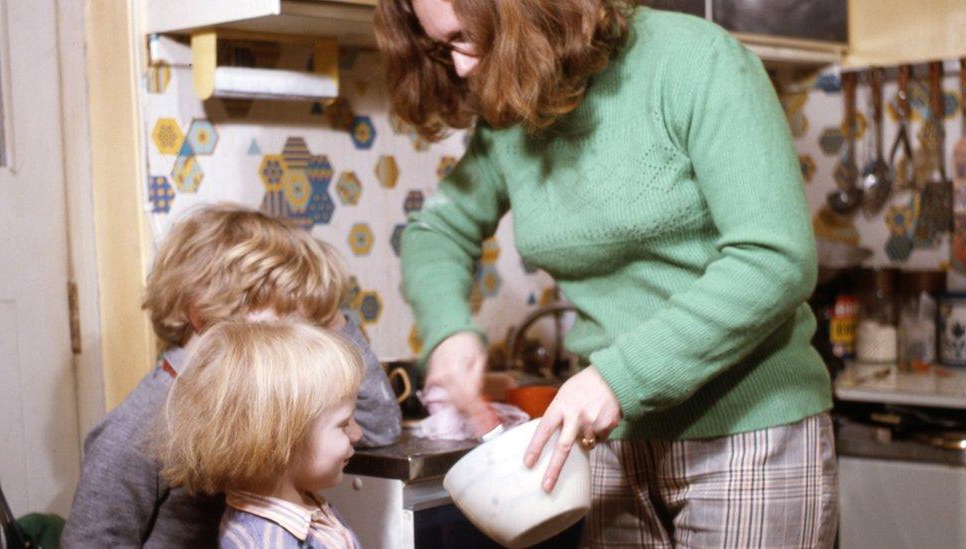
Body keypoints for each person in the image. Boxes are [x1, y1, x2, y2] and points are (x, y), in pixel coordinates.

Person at [377, 1, 838, 546]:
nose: (460, 68)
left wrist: (619, 378)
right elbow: (436, 232)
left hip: (751, 434)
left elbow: (774, 260)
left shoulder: (696, 61)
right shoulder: (515, 106)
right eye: (442, 47)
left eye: (468, 37)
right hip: (609, 446)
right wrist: (448, 331)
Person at [62, 204, 399, 547]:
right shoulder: (141, 423)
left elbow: (378, 425)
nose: (298, 340)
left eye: (306, 326)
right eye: (283, 327)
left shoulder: (269, 398)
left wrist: (328, 316)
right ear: (203, 313)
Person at [156, 320, 363, 548]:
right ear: (283, 439)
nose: (358, 433)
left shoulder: (304, 505)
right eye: (344, 423)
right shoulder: (265, 541)